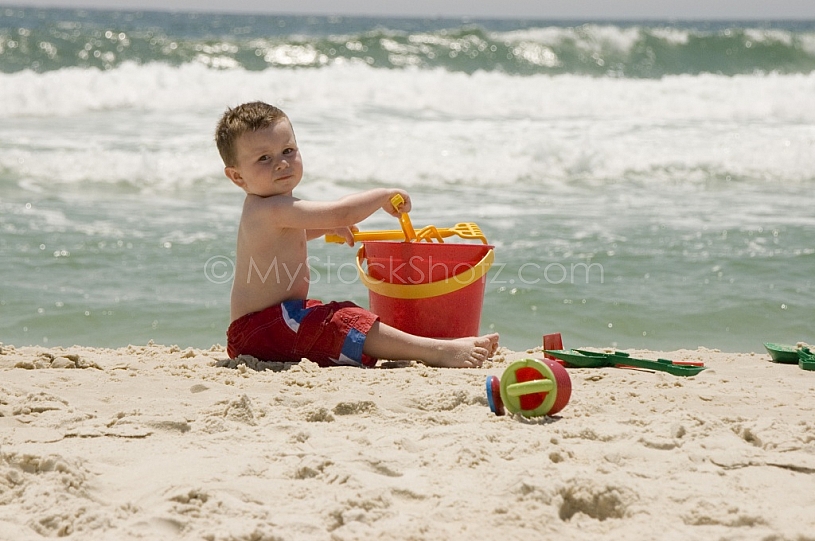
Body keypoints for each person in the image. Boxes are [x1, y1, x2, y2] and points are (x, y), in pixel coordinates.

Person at [215, 101, 499, 369]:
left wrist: (326, 227)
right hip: (262, 328)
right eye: (264, 158)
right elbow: (341, 213)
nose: (281, 163)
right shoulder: (270, 207)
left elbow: (291, 236)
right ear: (237, 177)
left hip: (275, 322)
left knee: (338, 318)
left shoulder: (272, 209)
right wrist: (382, 196)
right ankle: (437, 350)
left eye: (288, 150)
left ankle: (426, 346)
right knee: (344, 320)